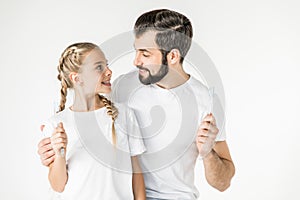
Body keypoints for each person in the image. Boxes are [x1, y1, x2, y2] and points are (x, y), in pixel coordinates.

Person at [38, 9, 235, 199]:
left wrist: (208, 153)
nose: (135, 61)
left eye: (145, 54)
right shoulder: (123, 86)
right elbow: (81, 116)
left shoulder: (206, 101)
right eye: (136, 51)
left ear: (173, 56)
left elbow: (223, 183)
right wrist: (51, 148)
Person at [40, 42, 146, 200]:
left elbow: (136, 172)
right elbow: (58, 185)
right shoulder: (56, 124)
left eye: (106, 65)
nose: (109, 71)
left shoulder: (124, 114)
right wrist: (60, 153)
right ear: (77, 78)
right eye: (99, 67)